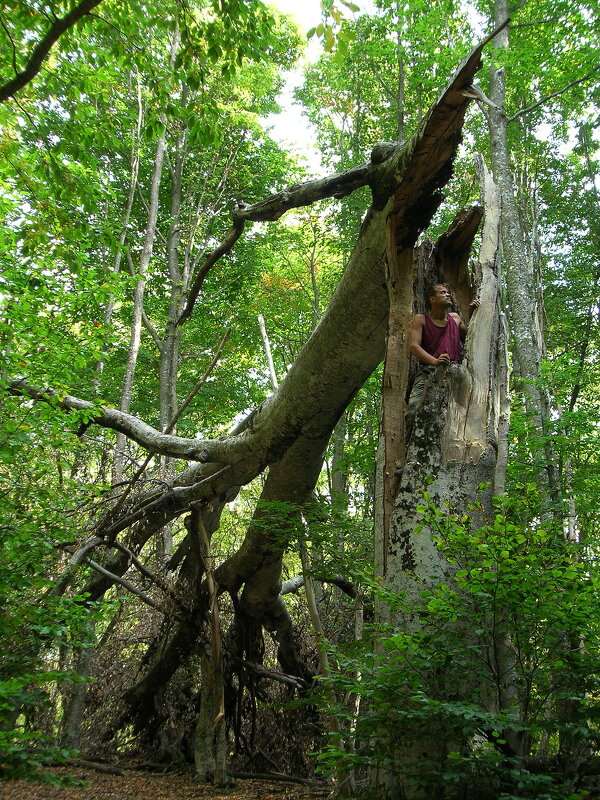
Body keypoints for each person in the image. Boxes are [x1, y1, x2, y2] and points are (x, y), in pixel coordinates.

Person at [405, 283, 478, 441]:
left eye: (448, 292)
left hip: (456, 375)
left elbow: (471, 337)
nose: (447, 295)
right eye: (443, 293)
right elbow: (413, 346)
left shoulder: (455, 319)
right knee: (413, 410)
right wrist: (435, 361)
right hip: (428, 372)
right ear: (432, 299)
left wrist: (473, 314)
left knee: (455, 419)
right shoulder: (421, 320)